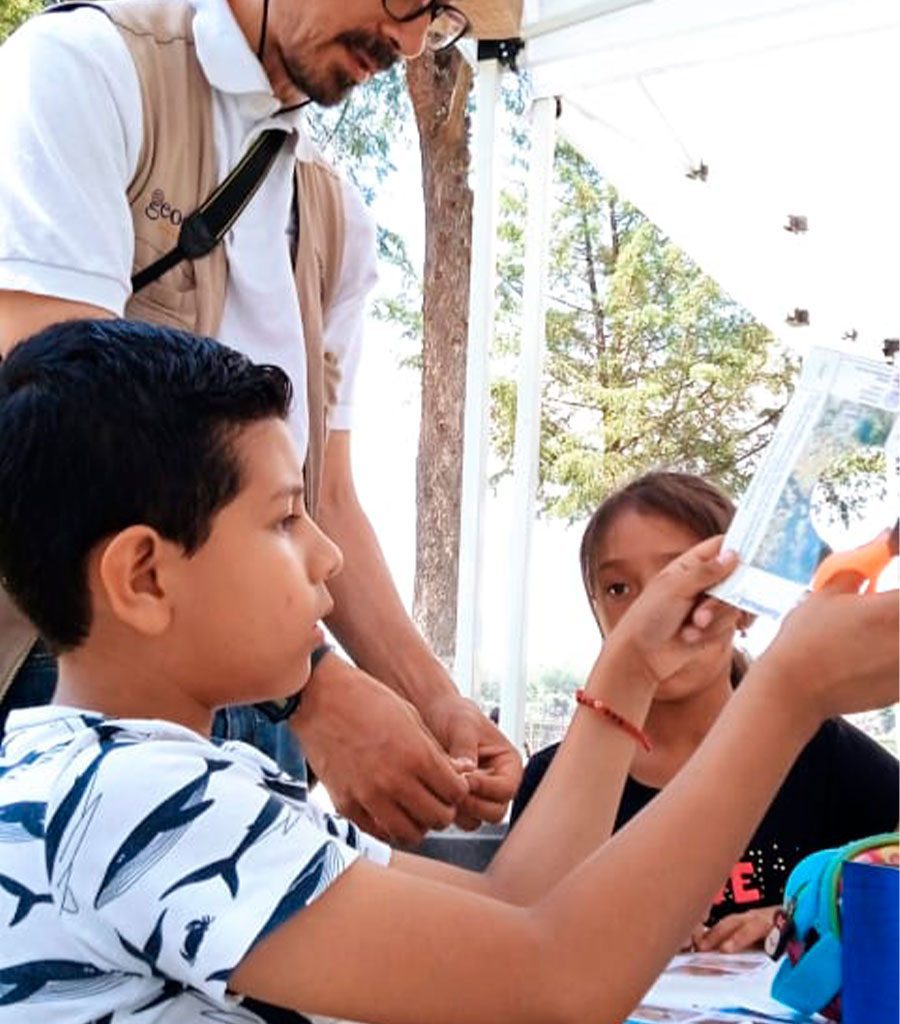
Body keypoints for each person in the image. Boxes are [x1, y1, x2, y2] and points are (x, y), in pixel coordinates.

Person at [0, 320, 897, 1024]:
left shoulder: (128, 775)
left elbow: (515, 902)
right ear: (145, 577)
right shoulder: (135, 801)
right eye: (283, 521)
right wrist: (786, 693)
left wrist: (625, 671)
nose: (328, 558)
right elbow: (558, 980)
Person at [0, 0, 521, 843]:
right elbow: (69, 432)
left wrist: (435, 704)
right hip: (62, 675)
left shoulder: (336, 215)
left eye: (443, 17)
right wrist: (316, 688)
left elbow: (328, 501)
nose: (413, 40)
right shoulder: (86, 67)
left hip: (265, 688)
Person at [510, 471, 900, 953]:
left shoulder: (826, 756)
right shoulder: (555, 780)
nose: (653, 609)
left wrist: (805, 918)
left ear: (745, 605)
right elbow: (517, 934)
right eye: (617, 588)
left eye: (686, 579)